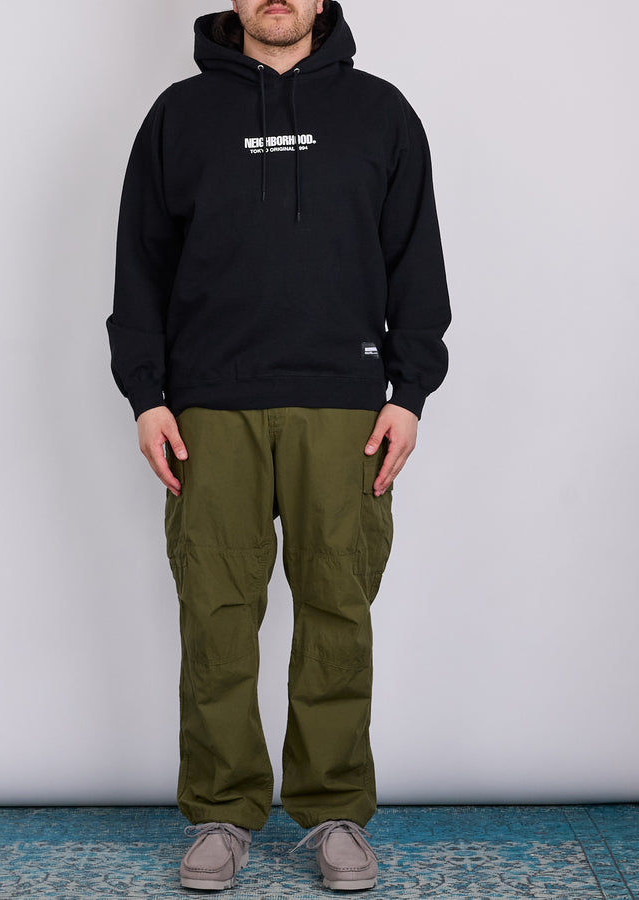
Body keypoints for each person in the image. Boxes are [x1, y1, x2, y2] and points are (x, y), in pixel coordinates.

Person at [106, 0, 451, 891]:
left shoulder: (380, 113)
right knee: (215, 615)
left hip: (344, 406)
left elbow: (416, 259)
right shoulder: (179, 116)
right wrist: (146, 395)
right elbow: (140, 264)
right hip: (208, 408)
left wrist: (410, 394)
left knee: (338, 610)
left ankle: (334, 810)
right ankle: (221, 813)